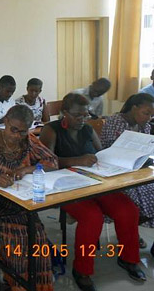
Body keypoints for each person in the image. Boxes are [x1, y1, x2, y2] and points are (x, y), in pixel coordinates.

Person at [39, 93, 145, 291]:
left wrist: (120, 161)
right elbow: (45, 163)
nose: (82, 120)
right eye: (77, 115)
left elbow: (102, 154)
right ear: (64, 113)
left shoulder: (87, 129)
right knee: (92, 217)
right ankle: (82, 270)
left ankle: (129, 258)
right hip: (66, 186)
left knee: (128, 209)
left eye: (85, 115)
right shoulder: (50, 130)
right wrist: (75, 161)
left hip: (96, 182)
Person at [0, 105, 57, 291]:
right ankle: (17, 283)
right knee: (15, 237)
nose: (17, 136)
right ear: (5, 122)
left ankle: (37, 284)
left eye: (22, 131)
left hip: (17, 200)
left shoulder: (28, 141)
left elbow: (53, 162)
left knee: (37, 233)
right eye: (13, 130)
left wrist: (27, 169)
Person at [100, 93, 154, 256]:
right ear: (134, 108)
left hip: (137, 170)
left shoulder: (145, 125)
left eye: (152, 115)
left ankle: (132, 231)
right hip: (114, 172)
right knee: (137, 194)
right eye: (146, 113)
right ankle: (131, 232)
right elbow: (108, 150)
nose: (149, 118)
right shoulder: (115, 121)